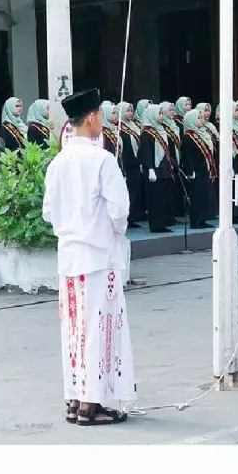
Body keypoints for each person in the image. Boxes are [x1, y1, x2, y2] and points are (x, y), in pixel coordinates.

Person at [41, 86, 137, 428]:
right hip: (98, 258)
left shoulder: (58, 162)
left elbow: (48, 213)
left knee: (75, 332)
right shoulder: (102, 159)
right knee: (99, 329)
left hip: (69, 260)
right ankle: (91, 404)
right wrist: (113, 233)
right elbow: (120, 210)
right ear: (93, 118)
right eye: (101, 116)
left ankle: (75, 399)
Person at [138, 103, 177, 234]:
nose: (161, 116)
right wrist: (150, 169)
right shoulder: (147, 133)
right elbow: (146, 152)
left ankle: (163, 222)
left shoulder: (161, 129)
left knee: (163, 197)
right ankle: (156, 225)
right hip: (154, 169)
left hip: (163, 168)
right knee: (155, 198)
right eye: (159, 113)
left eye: (161, 113)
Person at [179, 108, 217, 229]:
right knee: (196, 196)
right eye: (199, 118)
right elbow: (187, 156)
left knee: (204, 195)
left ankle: (202, 219)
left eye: (201, 118)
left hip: (205, 169)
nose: (201, 120)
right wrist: (190, 171)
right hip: (196, 171)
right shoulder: (188, 137)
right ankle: (195, 221)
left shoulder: (203, 133)